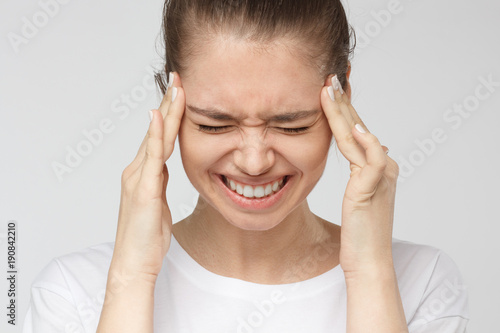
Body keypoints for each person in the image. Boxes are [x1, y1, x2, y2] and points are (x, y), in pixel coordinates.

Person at [23, 0, 469, 332]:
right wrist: (131, 278)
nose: (254, 161)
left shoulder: (419, 282)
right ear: (171, 104)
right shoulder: (73, 292)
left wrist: (369, 270)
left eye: (291, 126)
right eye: (215, 124)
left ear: (342, 97)